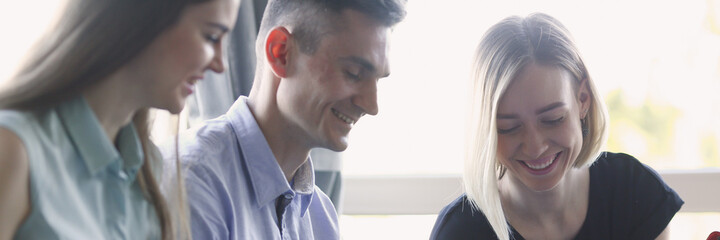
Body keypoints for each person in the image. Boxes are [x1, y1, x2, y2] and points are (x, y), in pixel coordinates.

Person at [160, 0, 406, 239]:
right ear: (280, 53)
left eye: (377, 80)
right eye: (353, 73)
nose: (371, 106)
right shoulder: (191, 184)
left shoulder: (321, 216)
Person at [430, 13, 683, 240]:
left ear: (583, 100)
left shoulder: (633, 192)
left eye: (553, 119)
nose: (535, 146)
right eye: (509, 127)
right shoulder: (460, 232)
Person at [0, 0, 239, 239]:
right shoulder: (13, 149)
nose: (221, 65)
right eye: (211, 37)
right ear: (143, 19)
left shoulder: (149, 170)